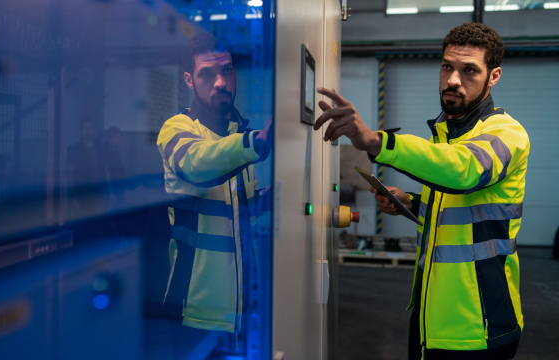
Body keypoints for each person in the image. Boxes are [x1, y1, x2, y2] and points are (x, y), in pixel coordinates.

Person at [313, 23, 529, 360]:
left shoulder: (507, 133)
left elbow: (463, 171)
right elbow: (461, 213)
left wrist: (376, 141)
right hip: (432, 316)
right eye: (447, 67)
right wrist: (409, 203)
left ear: (494, 76)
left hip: (479, 326)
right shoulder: (445, 134)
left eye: (469, 70)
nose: (454, 79)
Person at [156, 32, 272, 333]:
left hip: (242, 307)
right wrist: (254, 144)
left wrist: (270, 198)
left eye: (226, 70)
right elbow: (196, 163)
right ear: (189, 80)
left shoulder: (238, 132)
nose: (220, 82)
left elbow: (233, 208)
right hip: (194, 311)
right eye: (206, 74)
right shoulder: (176, 128)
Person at [66, 115, 106, 219]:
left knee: (98, 222)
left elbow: (105, 170)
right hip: (82, 195)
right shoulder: (73, 150)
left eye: (90, 128)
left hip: (98, 193)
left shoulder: (100, 148)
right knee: (82, 222)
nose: (88, 131)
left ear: (94, 130)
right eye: (85, 128)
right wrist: (73, 197)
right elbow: (69, 176)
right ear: (80, 131)